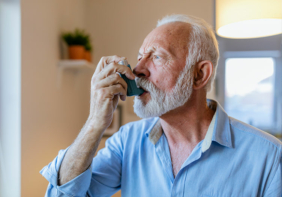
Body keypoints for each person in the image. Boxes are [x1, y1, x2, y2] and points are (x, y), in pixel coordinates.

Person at [41, 14, 282, 196]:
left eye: (157, 57)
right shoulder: (127, 143)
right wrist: (95, 122)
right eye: (139, 56)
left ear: (199, 75)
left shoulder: (269, 158)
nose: (137, 70)